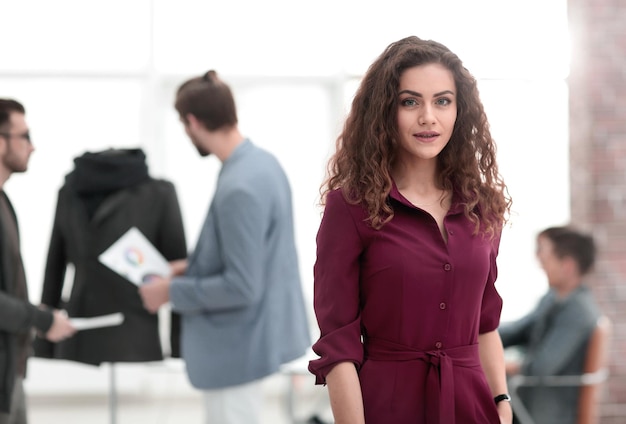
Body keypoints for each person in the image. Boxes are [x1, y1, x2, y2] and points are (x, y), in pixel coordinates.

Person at [307, 36, 513, 424]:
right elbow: (338, 346)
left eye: (442, 101)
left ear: (459, 110)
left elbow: (486, 323)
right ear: (386, 110)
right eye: (410, 101)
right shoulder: (351, 207)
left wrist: (502, 402)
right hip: (388, 405)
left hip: (472, 406)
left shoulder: (481, 207)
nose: (428, 117)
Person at [138, 70, 311, 424]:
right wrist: (188, 267)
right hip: (256, 336)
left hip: (238, 348)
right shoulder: (261, 163)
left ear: (192, 122)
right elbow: (260, 256)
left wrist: (171, 292)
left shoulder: (240, 186)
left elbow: (242, 285)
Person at [0, 98, 76, 424]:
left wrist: (35, 314)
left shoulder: (4, 201)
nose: (33, 146)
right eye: (24, 136)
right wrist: (41, 321)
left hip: (11, 371)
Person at [499, 226, 602, 424]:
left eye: (546, 258)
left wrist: (498, 364)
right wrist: (478, 333)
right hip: (529, 397)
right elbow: (518, 330)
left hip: (544, 408)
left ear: (568, 265)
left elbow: (541, 366)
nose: (541, 264)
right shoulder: (553, 298)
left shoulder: (578, 311)